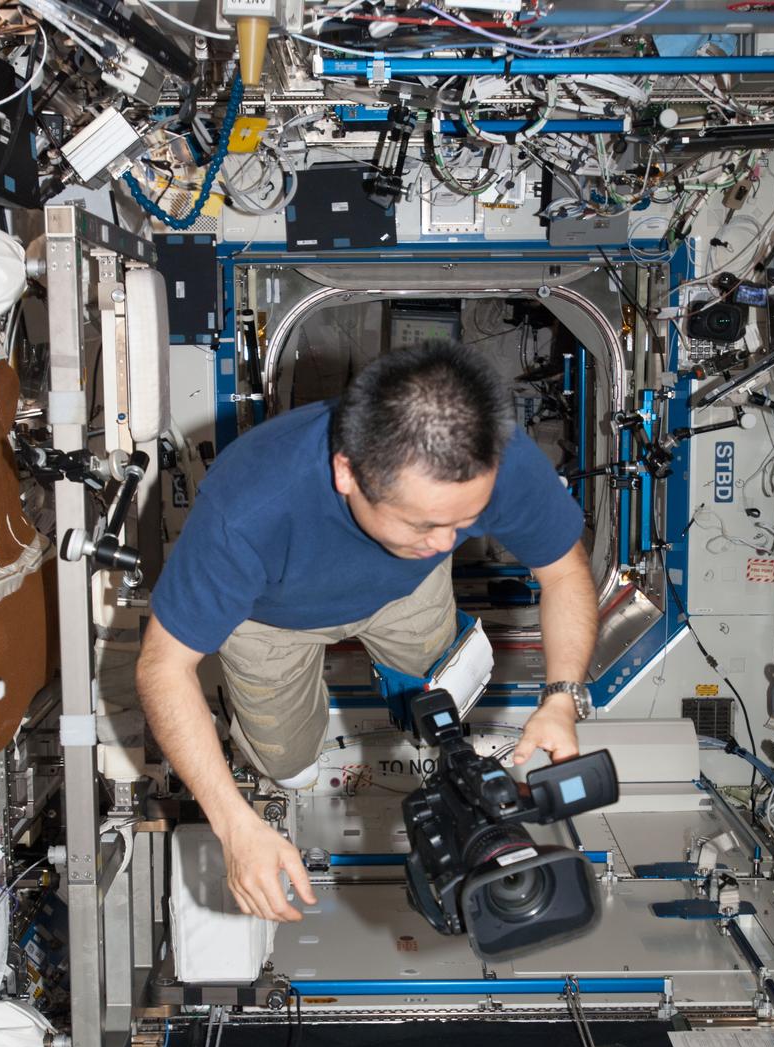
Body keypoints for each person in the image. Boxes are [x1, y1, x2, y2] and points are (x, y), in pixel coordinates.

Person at [136, 341, 598, 924]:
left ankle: (405, 677)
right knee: (291, 768)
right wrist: (235, 827)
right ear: (346, 472)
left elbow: (563, 572)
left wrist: (561, 699)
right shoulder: (249, 507)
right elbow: (162, 667)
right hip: (271, 619)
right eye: (426, 523)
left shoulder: (497, 459)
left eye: (466, 523)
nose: (448, 542)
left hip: (406, 589)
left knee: (437, 702)